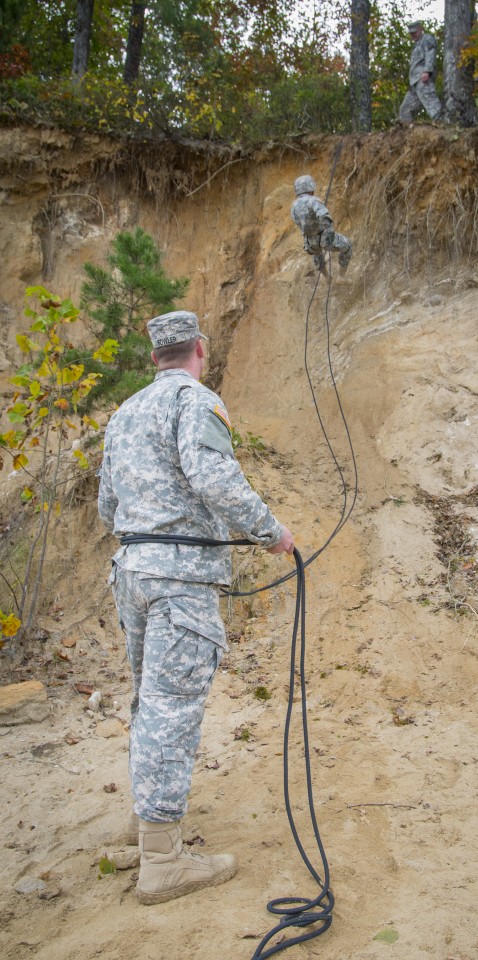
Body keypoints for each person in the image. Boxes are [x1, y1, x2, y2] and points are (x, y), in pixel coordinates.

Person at [97, 310, 294, 905]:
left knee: (147, 702)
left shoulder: (124, 413)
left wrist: (148, 530)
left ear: (156, 355)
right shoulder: (195, 400)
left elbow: (108, 505)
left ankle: (141, 832)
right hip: (180, 581)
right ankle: (161, 861)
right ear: (199, 350)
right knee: (171, 709)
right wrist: (272, 532)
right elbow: (215, 478)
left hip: (132, 571)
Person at [291, 175, 352, 274]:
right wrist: (330, 235)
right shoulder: (313, 200)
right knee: (348, 245)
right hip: (324, 239)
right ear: (309, 187)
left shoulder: (294, 206)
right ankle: (342, 276)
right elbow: (325, 217)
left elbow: (298, 222)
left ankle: (327, 277)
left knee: (317, 252)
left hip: (310, 244)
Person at [398, 20, 443, 124]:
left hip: (422, 79)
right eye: (411, 33)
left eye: (414, 32)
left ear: (421, 29)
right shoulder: (416, 45)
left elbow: (430, 54)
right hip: (414, 82)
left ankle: (444, 126)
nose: (412, 35)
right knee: (405, 109)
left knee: (432, 105)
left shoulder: (427, 39)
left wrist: (427, 71)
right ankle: (408, 134)